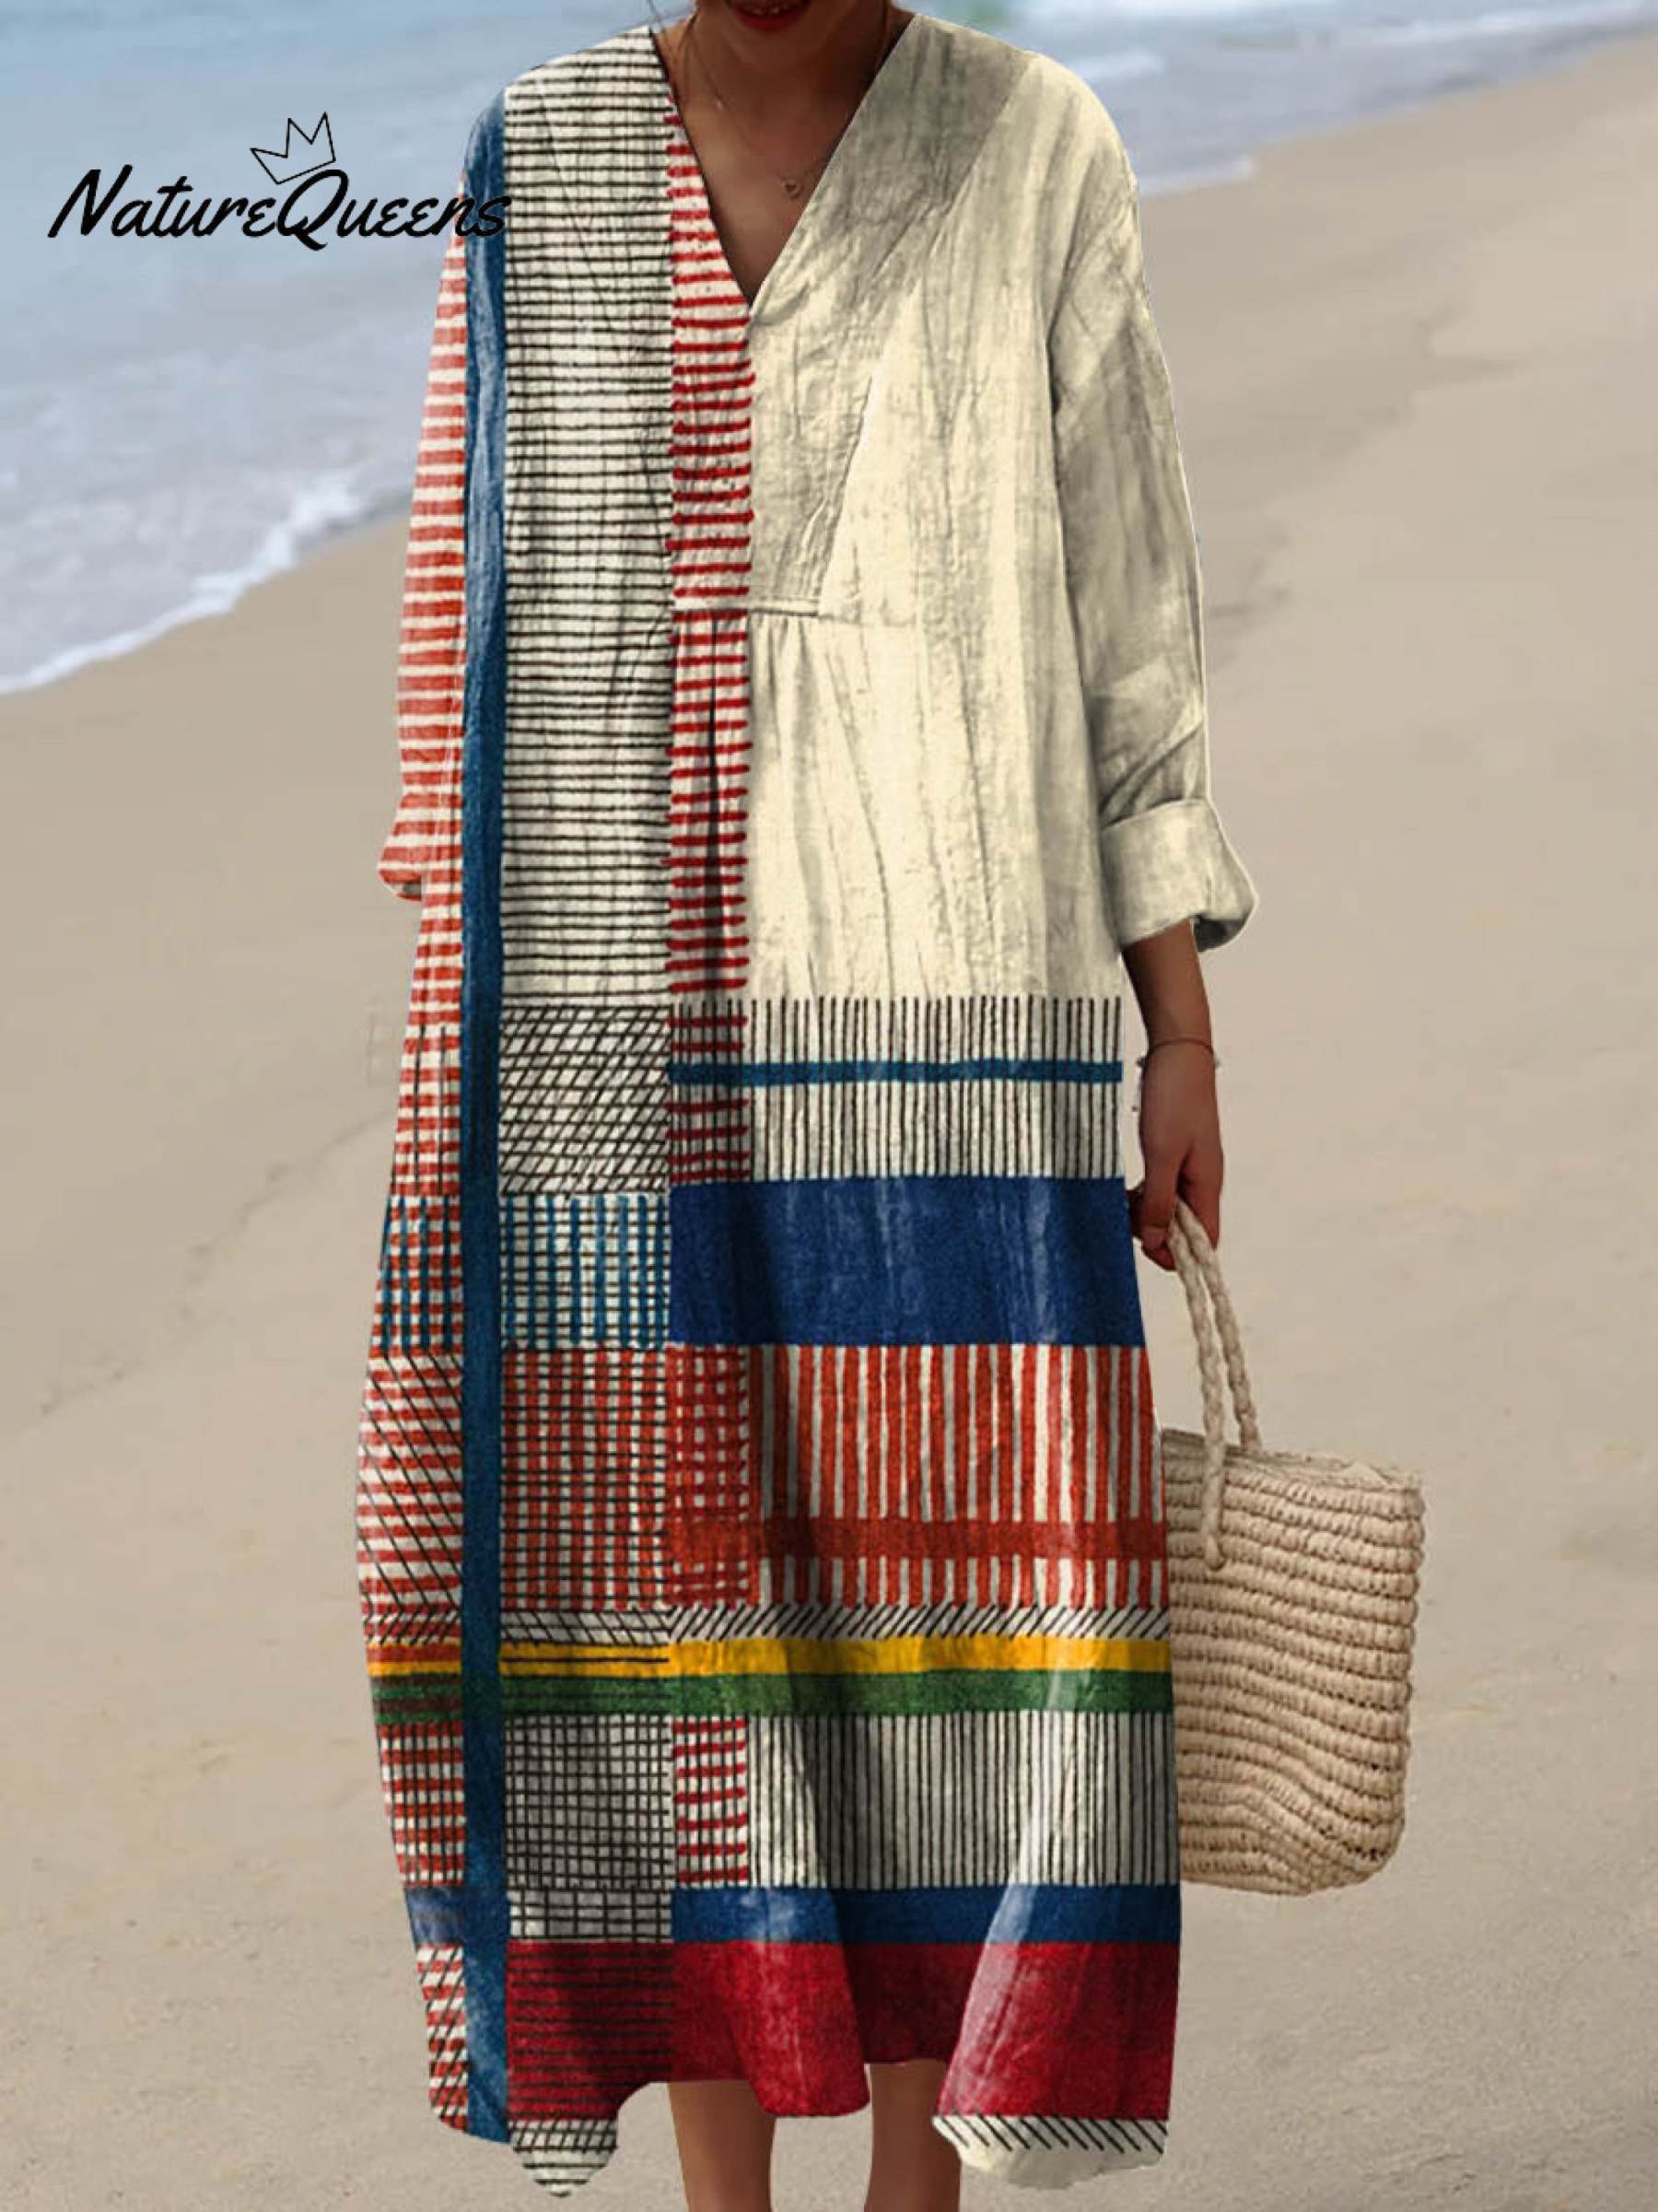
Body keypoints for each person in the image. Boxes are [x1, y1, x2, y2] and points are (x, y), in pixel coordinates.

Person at [355, 3, 1258, 2208]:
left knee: (953, 1634)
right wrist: (460, 1035)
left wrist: (1183, 1028)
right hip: (592, 1018)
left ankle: (918, 2199)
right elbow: (467, 608)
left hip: (953, 1031)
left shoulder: (1034, 144)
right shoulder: (539, 157)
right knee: (661, 1628)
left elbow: (1129, 616)